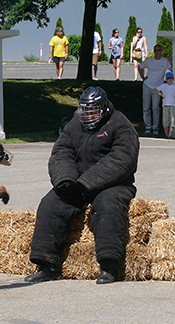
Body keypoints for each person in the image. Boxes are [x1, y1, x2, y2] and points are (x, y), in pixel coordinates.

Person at [25, 86, 139, 285]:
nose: (87, 116)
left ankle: (109, 266)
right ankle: (48, 265)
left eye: (92, 111)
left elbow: (122, 159)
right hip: (77, 183)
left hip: (112, 183)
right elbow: (61, 152)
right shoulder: (75, 124)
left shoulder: (120, 124)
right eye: (84, 111)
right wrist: (65, 180)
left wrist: (88, 182)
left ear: (103, 109)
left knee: (107, 205)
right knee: (50, 204)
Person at [139, 44, 172, 136]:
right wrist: (142, 77)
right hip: (147, 85)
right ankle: (148, 127)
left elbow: (172, 68)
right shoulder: (149, 61)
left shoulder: (165, 61)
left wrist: (172, 61)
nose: (157, 52)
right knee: (146, 107)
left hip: (158, 87)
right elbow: (140, 66)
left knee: (156, 108)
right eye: (156, 50)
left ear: (161, 51)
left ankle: (155, 127)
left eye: (159, 50)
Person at [154, 72, 175, 138]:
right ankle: (166, 134)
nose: (170, 80)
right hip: (165, 105)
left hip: (173, 105)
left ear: (173, 79)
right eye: (168, 79)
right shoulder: (163, 86)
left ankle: (170, 134)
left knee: (172, 120)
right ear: (166, 79)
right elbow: (156, 90)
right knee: (165, 121)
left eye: (171, 79)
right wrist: (161, 95)